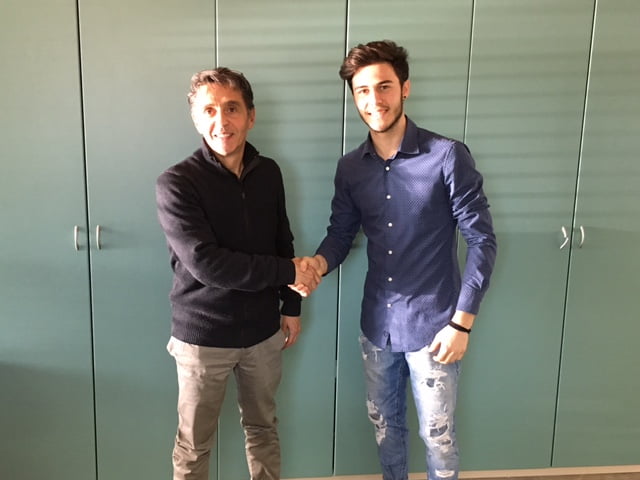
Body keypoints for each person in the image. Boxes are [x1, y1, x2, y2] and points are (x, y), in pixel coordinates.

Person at [294, 41, 497, 480]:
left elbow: (482, 240)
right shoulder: (351, 168)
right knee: (386, 431)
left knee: (438, 438)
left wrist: (462, 323)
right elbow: (341, 233)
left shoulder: (447, 156)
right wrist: (316, 266)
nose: (374, 100)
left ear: (405, 88)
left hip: (436, 329)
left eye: (384, 86)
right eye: (362, 91)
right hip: (377, 327)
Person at [156, 67, 320, 480]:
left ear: (251, 116)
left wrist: (291, 305)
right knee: (194, 444)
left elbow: (282, 239)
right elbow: (208, 264)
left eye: (232, 108)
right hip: (202, 338)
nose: (221, 121)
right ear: (196, 119)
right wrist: (289, 271)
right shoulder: (177, 183)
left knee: (263, 429)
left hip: (263, 333)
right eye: (209, 110)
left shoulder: (269, 173)